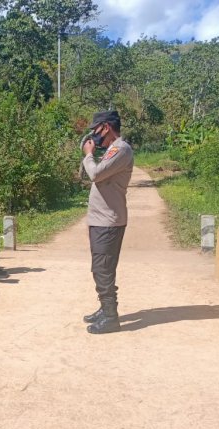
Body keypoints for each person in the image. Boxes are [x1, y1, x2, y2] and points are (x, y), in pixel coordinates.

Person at [80, 110, 134, 334]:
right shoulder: (113, 150)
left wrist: (88, 154)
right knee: (100, 268)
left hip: (108, 222)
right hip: (101, 220)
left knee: (103, 269)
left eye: (96, 129)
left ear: (107, 127)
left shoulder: (121, 149)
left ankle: (111, 317)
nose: (94, 133)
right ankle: (105, 308)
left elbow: (95, 174)